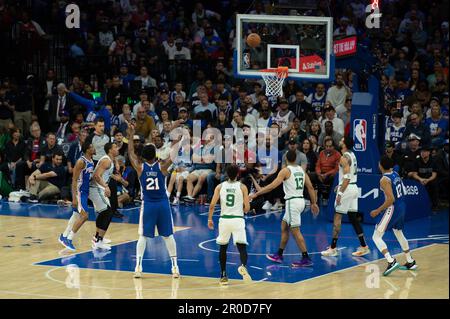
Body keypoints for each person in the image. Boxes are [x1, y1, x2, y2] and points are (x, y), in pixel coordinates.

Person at [126, 121, 180, 279]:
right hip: (162, 205)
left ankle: (138, 267)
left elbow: (130, 152)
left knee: (142, 236)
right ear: (155, 155)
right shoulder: (162, 167)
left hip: (148, 205)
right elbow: (173, 155)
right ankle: (175, 267)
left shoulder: (140, 167)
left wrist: (131, 134)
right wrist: (178, 141)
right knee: (168, 236)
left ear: (142, 156)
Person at [250, 150, 319, 267]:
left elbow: (272, 186)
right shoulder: (301, 170)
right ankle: (279, 254)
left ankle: (306, 257)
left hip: (292, 202)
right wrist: (314, 203)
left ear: (286, 159)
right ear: (296, 159)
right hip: (300, 201)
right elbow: (311, 187)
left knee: (295, 231)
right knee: (284, 226)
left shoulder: (286, 171)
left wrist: (257, 194)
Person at [321, 136, 370, 257]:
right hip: (353, 188)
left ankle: (332, 248)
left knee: (337, 218)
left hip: (347, 189)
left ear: (345, 144)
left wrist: (341, 193)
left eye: (342, 140)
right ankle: (364, 246)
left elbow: (347, 176)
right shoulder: (352, 155)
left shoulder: (344, 158)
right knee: (353, 218)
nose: (340, 141)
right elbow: (348, 176)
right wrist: (340, 184)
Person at [370, 156, 417, 276]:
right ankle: (410, 261)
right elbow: (404, 191)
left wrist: (378, 210)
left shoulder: (384, 180)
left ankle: (391, 261)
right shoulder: (395, 173)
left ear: (381, 165)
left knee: (376, 236)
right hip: (402, 205)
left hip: (393, 207)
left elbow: (391, 199)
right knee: (398, 232)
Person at [207, 164, 252, 285]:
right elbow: (247, 208)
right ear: (238, 174)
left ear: (226, 174)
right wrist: (242, 206)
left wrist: (210, 219)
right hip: (237, 219)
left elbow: (212, 205)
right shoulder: (242, 187)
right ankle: (243, 266)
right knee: (241, 246)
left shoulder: (219, 186)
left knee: (223, 248)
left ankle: (223, 275)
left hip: (224, 220)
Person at [59, 137, 95, 250]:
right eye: (92, 147)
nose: (94, 148)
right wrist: (74, 197)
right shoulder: (81, 161)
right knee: (84, 216)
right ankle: (69, 239)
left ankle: (63, 236)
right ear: (88, 149)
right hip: (79, 192)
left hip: (85, 192)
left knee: (75, 215)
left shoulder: (91, 160)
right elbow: (74, 180)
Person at [89, 142, 120, 250]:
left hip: (99, 188)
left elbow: (105, 174)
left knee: (104, 213)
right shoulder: (106, 161)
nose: (118, 148)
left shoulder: (109, 160)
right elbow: (96, 176)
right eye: (115, 147)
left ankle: (97, 237)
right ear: (110, 150)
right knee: (107, 212)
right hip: (96, 188)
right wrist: (106, 186)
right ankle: (98, 241)